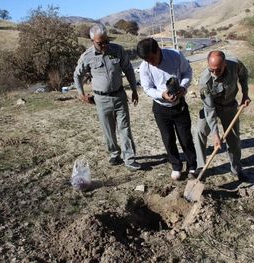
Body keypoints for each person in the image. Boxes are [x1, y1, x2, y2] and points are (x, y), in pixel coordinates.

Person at [73, 24, 141, 171]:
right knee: (108, 130)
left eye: (106, 41)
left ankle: (129, 158)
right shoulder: (87, 57)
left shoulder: (117, 50)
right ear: (92, 41)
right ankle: (114, 153)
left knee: (125, 129)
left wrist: (134, 90)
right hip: (101, 100)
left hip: (119, 96)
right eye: (100, 43)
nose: (104, 45)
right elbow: (77, 75)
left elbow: (128, 69)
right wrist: (81, 94)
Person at [137, 38, 197, 180]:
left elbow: (187, 72)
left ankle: (192, 166)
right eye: (147, 60)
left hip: (179, 105)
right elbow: (147, 88)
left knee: (186, 138)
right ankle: (176, 166)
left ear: (158, 50)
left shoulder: (175, 55)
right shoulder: (145, 67)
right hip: (161, 108)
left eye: (152, 58)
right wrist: (162, 95)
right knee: (168, 139)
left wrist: (183, 87)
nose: (150, 62)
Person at [195, 50, 251, 180]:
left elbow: (244, 75)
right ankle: (201, 168)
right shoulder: (205, 81)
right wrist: (215, 134)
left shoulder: (235, 65)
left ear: (225, 64)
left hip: (230, 105)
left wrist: (245, 94)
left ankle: (236, 169)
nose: (214, 73)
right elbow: (209, 110)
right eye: (211, 69)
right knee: (199, 131)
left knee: (234, 138)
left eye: (218, 70)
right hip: (212, 106)